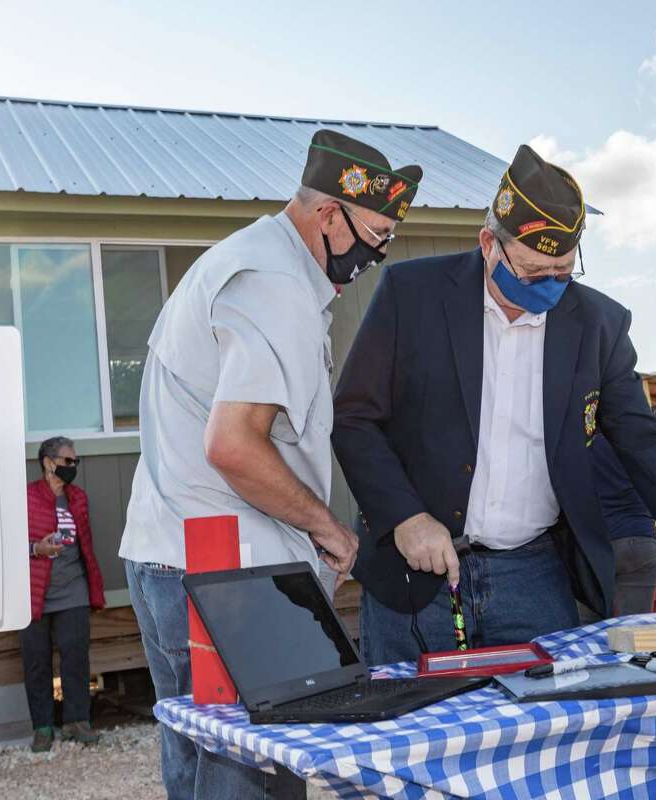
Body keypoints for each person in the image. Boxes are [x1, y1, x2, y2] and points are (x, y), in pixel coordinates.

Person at [333, 144, 656, 666]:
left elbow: (641, 438)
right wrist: (404, 517)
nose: (549, 288)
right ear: (488, 243)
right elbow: (354, 417)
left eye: (562, 273)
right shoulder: (414, 294)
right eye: (533, 272)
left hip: (533, 575)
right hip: (414, 574)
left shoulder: (597, 325)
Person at [119, 131, 421, 799]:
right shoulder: (276, 283)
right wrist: (330, 530)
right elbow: (234, 444)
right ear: (327, 215)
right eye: (373, 233)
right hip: (230, 574)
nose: (379, 252)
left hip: (177, 554)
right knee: (251, 775)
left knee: (199, 765)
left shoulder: (245, 261)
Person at [22, 437, 106, 753]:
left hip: (73, 588)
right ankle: (43, 727)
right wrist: (36, 549)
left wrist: (93, 585)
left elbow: (86, 546)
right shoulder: (27, 497)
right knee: (36, 661)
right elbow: (7, 543)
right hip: (34, 590)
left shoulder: (78, 498)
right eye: (68, 461)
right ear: (48, 461)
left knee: (75, 656)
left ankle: (77, 722)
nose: (73, 467)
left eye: (76, 462)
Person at [590, 435, 656, 617]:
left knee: (587, 635)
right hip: (642, 538)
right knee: (636, 634)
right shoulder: (635, 432)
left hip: (596, 543)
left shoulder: (580, 438)